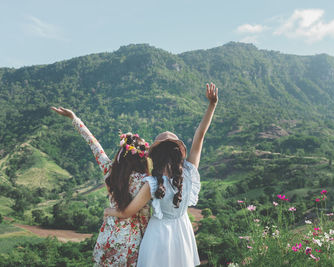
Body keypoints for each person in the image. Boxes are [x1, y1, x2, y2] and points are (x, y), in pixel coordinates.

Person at [104, 82, 219, 267]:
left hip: (158, 238)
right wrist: (212, 104)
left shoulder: (153, 184)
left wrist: (107, 211)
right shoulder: (189, 172)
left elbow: (126, 212)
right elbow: (200, 135)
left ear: (155, 156)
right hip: (183, 234)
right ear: (178, 152)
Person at [51, 107, 151, 266]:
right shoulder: (146, 181)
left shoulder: (110, 172)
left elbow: (94, 144)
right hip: (133, 242)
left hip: (108, 236)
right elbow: (146, 214)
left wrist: (74, 118)